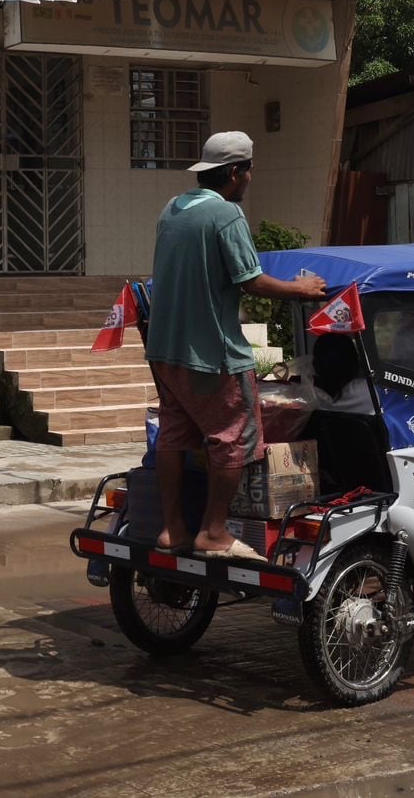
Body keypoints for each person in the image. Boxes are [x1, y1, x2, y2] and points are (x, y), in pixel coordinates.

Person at [147, 131, 327, 560]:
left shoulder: (173, 209)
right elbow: (251, 280)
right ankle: (213, 532)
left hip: (165, 351)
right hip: (213, 355)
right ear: (234, 172)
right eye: (248, 171)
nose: (249, 179)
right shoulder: (226, 215)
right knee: (234, 436)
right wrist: (300, 289)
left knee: (173, 436)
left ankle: (173, 529)